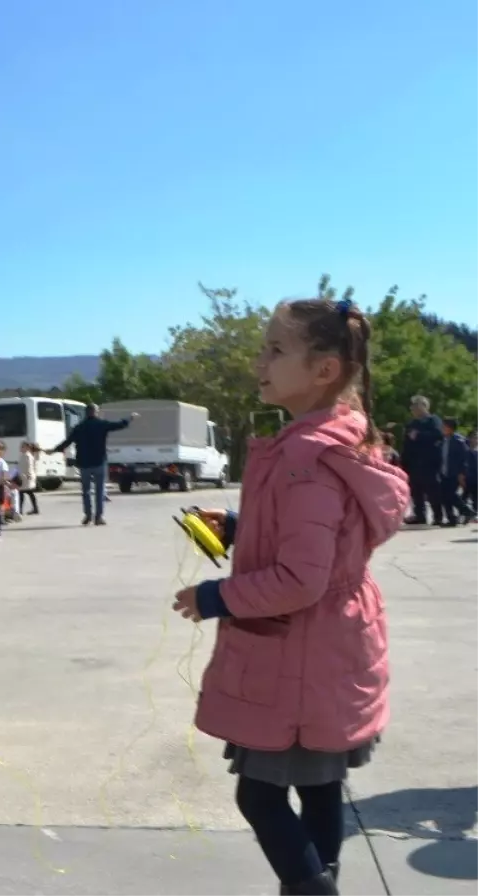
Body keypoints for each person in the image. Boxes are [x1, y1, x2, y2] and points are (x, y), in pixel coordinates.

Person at [172, 298, 408, 895]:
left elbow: (302, 579)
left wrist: (213, 596)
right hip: (327, 651)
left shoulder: (308, 457)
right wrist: (237, 524)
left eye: (276, 350)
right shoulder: (332, 443)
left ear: (324, 370)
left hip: (299, 660)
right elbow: (315, 541)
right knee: (320, 789)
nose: (261, 361)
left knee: (260, 795)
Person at [49, 404, 137, 526]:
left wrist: (53, 450)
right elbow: (119, 425)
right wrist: (130, 418)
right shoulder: (102, 424)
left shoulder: (79, 427)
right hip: (99, 462)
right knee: (99, 491)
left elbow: (67, 442)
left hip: (84, 463)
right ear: (96, 412)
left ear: (86, 412)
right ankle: (99, 517)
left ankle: (88, 515)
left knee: (86, 491)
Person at [400, 395, 443, 525]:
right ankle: (420, 515)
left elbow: (438, 435)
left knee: (432, 491)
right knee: (416, 491)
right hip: (414, 463)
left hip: (429, 462)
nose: (412, 408)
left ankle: (438, 516)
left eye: (415, 405)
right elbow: (407, 443)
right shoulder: (412, 424)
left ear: (423, 406)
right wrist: (404, 461)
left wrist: (419, 435)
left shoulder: (433, 420)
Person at [440, 417, 471, 527]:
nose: (441, 428)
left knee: (452, 495)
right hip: (444, 472)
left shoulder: (459, 441)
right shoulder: (443, 440)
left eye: (444, 426)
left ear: (450, 428)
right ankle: (451, 519)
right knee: (444, 496)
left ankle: (467, 511)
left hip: (454, 473)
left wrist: (462, 474)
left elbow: (464, 459)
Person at [18, 441, 40, 515]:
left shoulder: (27, 456)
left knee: (21, 493)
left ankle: (20, 510)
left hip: (26, 478)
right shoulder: (25, 455)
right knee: (29, 493)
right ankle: (35, 508)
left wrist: (28, 476)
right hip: (25, 477)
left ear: (27, 448)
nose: (21, 448)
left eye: (22, 447)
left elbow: (29, 467)